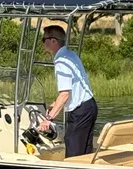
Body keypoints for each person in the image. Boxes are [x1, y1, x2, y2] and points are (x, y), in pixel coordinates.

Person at [39, 25, 98, 158]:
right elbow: (72, 86)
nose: (42, 42)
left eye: (44, 39)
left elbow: (65, 94)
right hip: (89, 106)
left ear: (53, 41)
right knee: (85, 153)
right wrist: (55, 103)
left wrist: (48, 119)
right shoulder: (70, 54)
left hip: (80, 111)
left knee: (73, 153)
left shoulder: (61, 62)